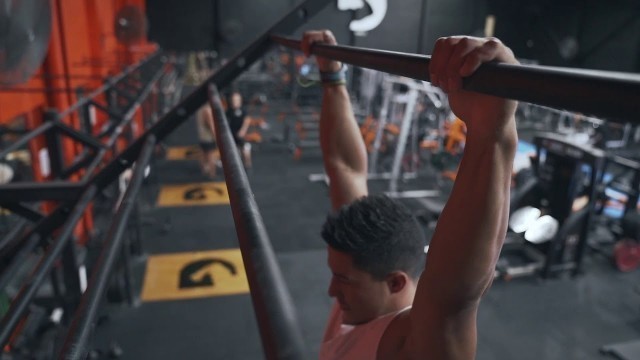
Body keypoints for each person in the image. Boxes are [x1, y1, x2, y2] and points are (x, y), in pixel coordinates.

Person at [302, 30, 519, 359]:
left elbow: (452, 298)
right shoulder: (360, 300)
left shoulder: (405, 345)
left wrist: (491, 130)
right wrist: (331, 74)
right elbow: (344, 168)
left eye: (343, 280)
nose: (332, 291)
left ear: (396, 284)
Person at [226, 91, 252, 168]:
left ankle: (248, 165)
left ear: (240, 101)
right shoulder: (229, 111)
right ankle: (239, 166)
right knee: (236, 151)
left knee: (245, 150)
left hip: (243, 134)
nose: (235, 102)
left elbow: (247, 120)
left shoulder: (243, 110)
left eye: (237, 100)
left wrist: (243, 131)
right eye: (233, 100)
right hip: (233, 134)